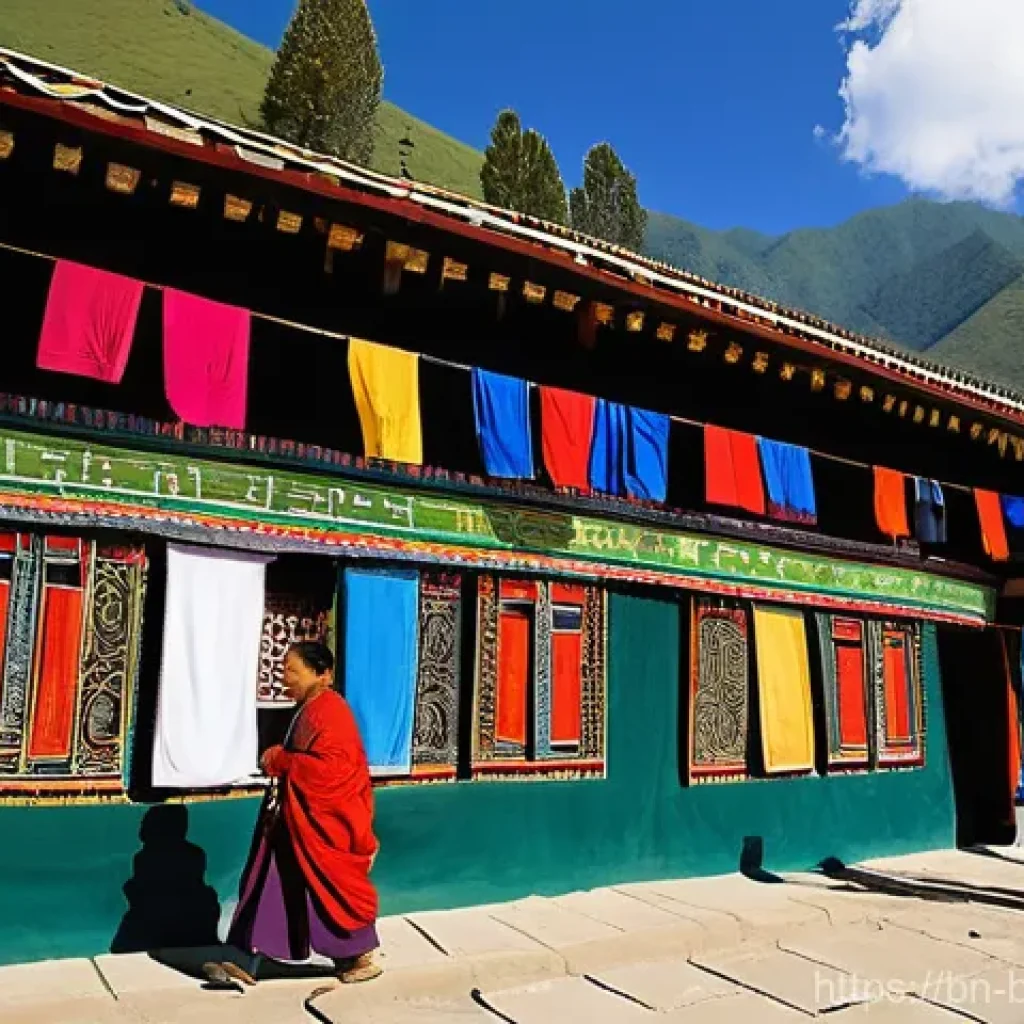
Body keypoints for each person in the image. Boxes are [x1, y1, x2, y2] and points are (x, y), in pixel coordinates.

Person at [203, 641, 381, 989]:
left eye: (292, 671)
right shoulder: (310, 708)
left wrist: (280, 761)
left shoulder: (330, 711)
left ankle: (357, 955)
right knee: (272, 884)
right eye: (285, 670)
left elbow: (333, 771)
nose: (286, 679)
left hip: (319, 821)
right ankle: (246, 959)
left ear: (323, 673)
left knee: (325, 885)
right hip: (296, 819)